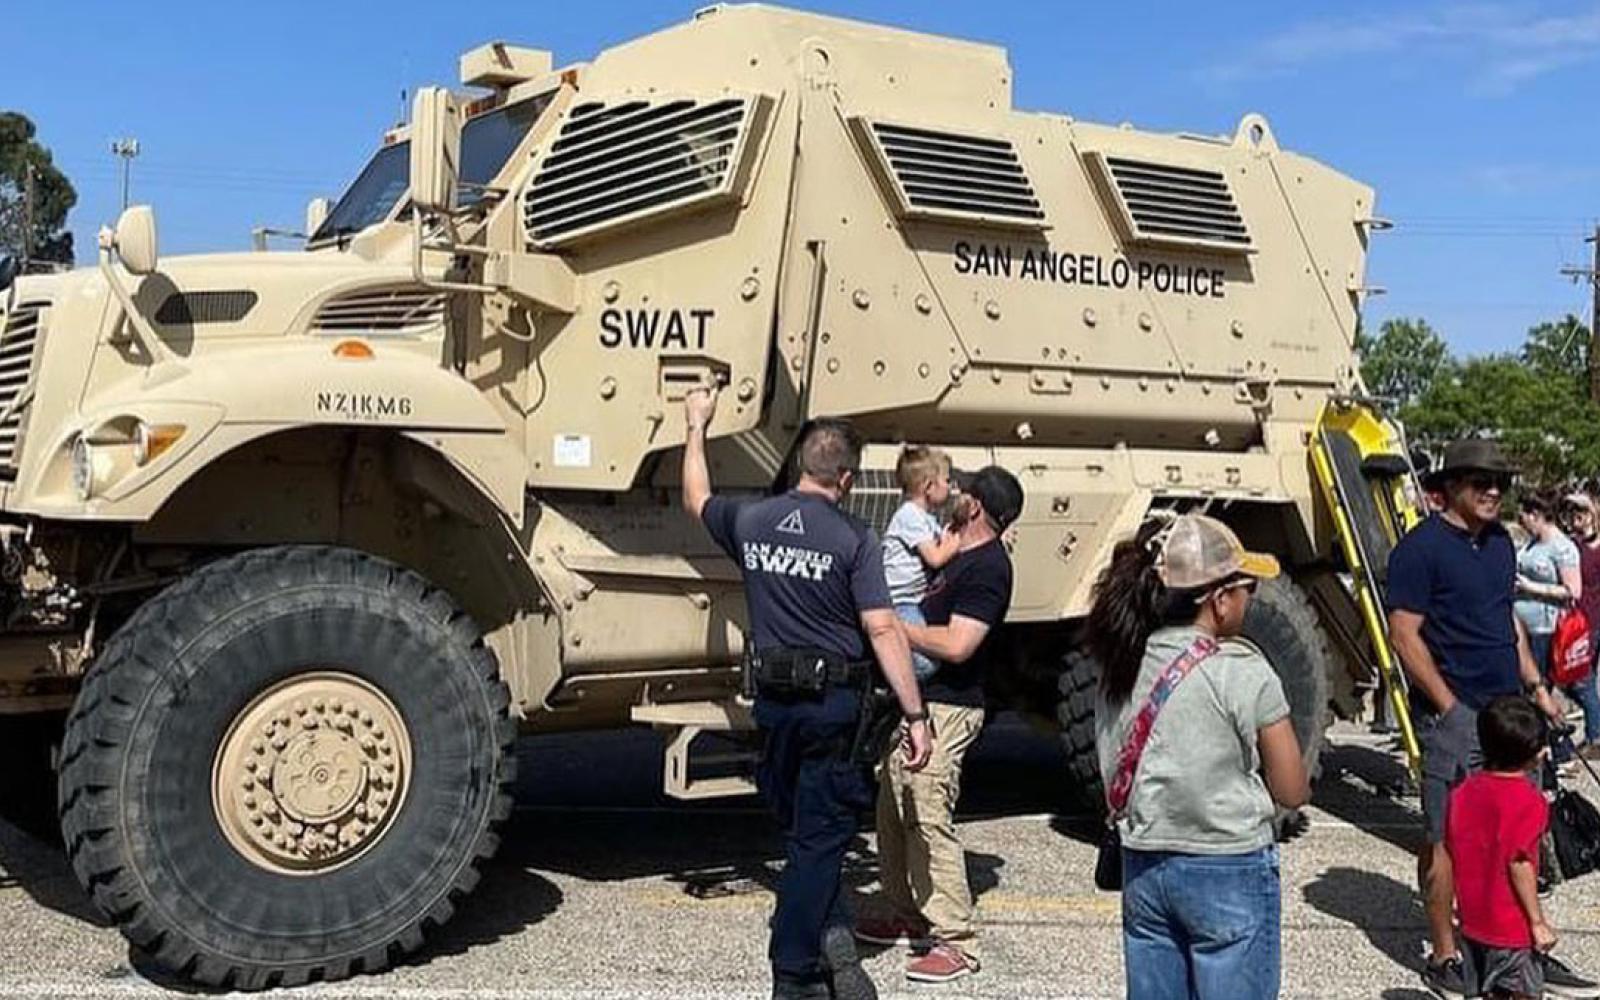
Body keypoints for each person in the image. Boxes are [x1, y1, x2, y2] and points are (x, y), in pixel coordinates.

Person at [681, 387, 933, 1000]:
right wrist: (915, 711)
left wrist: (696, 425)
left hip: (773, 707)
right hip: (831, 709)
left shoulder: (751, 519)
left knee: (800, 832)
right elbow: (880, 627)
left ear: (801, 467)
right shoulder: (853, 539)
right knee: (821, 841)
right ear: (844, 477)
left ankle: (830, 932)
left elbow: (696, 499)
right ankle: (794, 971)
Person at [1384, 439, 1585, 1000]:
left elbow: (1506, 621)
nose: (1493, 490)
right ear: (1449, 487)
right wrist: (1448, 707)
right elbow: (1404, 634)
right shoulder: (1420, 549)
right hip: (1453, 715)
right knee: (1446, 837)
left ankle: (1520, 946)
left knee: (1516, 836)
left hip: (1508, 715)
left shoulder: (1499, 544)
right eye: (1479, 480)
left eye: (1500, 481)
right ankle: (1447, 955)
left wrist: (1537, 686)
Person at [1088, 512, 1308, 1000]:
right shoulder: (1243, 669)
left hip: (1143, 862)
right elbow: (1292, 789)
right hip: (1227, 864)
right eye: (1247, 585)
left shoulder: (1119, 664)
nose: (1250, 596)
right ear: (1220, 597)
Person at [859, 465, 1022, 984]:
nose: (952, 494)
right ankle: (903, 911)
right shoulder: (957, 558)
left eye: (963, 492)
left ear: (975, 507)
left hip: (951, 707)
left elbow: (957, 644)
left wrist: (896, 629)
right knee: (892, 805)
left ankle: (955, 939)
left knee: (929, 813)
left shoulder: (989, 568)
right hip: (919, 702)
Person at [1445, 695, 1554, 1000]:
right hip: (1511, 925)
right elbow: (1519, 863)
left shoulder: (1463, 792)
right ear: (1529, 754)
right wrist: (1537, 922)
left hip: (1472, 919)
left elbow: (1456, 849)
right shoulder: (1529, 801)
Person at [880, 445, 959, 680]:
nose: (950, 486)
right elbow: (935, 558)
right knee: (925, 664)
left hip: (915, 601)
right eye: (946, 480)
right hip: (900, 602)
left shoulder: (925, 519)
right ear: (927, 486)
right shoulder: (909, 516)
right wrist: (955, 542)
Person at [1514, 493, 1582, 679]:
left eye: (1522, 518)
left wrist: (1530, 587)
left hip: (1544, 631)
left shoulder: (1562, 548)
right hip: (1523, 628)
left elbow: (1572, 591)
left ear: (1535, 515)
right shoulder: (1532, 544)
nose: (1521, 523)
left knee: (1538, 684)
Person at [1560, 491, 1600, 757]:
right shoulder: (1571, 545)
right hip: (1578, 620)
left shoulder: (1596, 547)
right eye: (1574, 515)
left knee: (1579, 681)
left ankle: (1596, 734)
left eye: (1581, 515)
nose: (1577, 519)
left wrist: (1589, 506)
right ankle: (1594, 725)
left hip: (1592, 620)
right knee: (1581, 680)